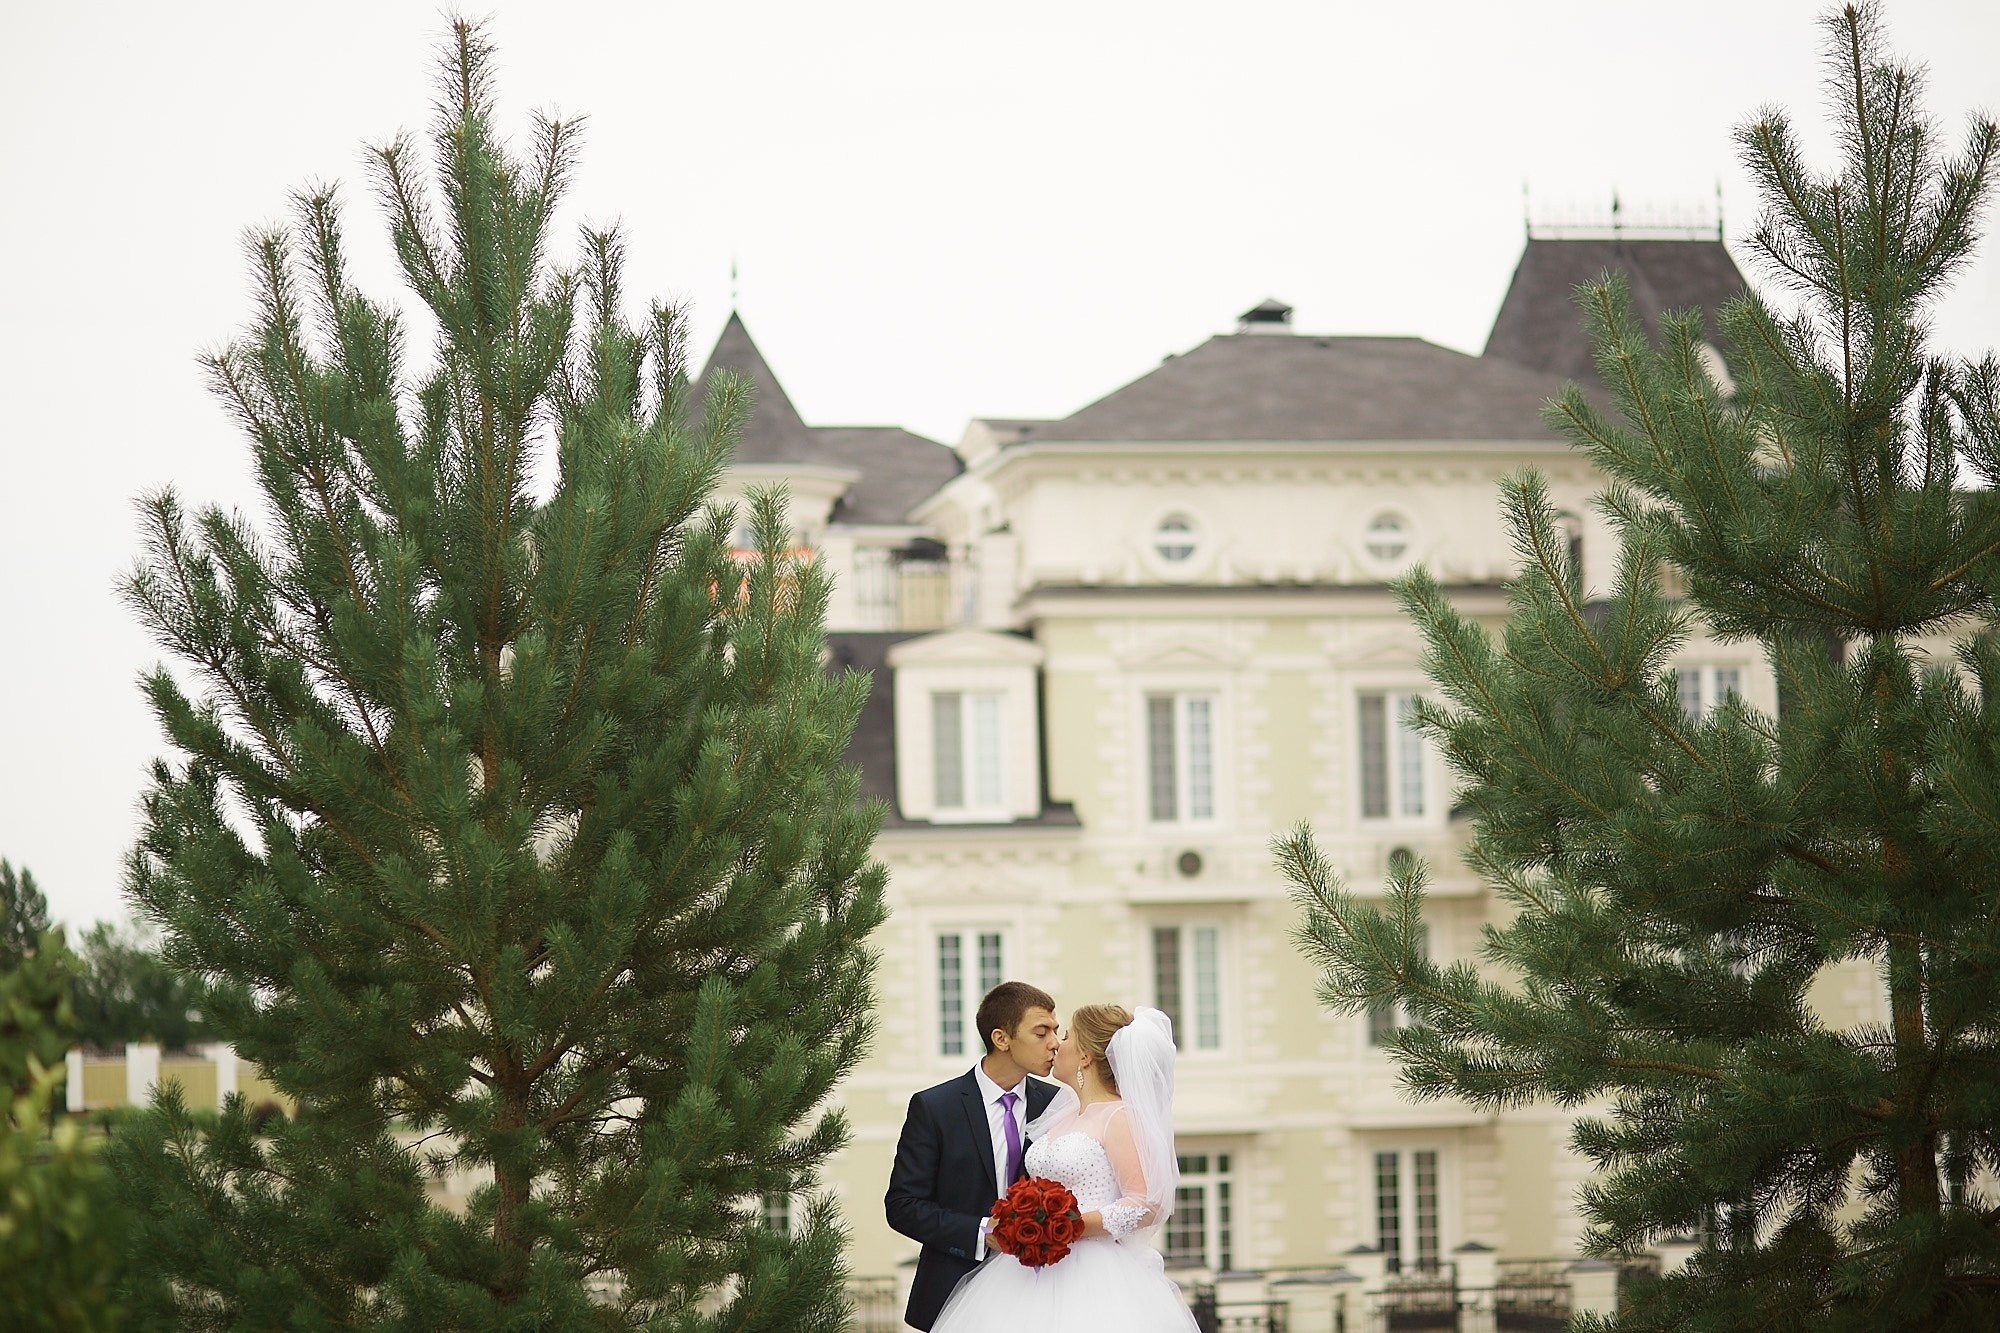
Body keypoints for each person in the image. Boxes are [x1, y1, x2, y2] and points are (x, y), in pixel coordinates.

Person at [928, 1003, 1200, 1332]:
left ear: (1085, 1056)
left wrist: (1066, 1225)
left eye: (1067, 1036)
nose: (1057, 1043)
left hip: (1096, 1274)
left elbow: (1146, 1203)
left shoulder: (1120, 1117)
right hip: (1027, 1270)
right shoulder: (1064, 1114)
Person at [886, 980, 1063, 1331]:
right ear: (1001, 1039)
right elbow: (903, 1205)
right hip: (955, 1295)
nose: (1055, 1043)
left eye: (1056, 1032)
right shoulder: (935, 1107)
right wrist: (982, 1232)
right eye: (1041, 1032)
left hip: (1045, 1293)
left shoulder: (1059, 1104)